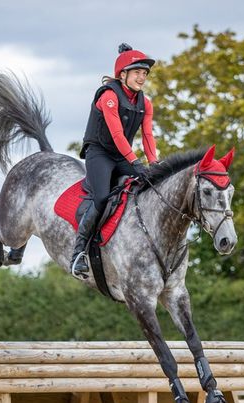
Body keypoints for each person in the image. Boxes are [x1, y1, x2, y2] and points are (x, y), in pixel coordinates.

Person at [70, 43, 158, 278]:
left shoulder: (145, 102)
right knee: (101, 196)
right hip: (99, 152)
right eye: (138, 72)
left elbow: (148, 135)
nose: (142, 77)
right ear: (123, 74)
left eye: (145, 73)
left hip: (121, 155)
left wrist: (155, 163)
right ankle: (78, 252)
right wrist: (135, 160)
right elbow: (117, 134)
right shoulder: (109, 96)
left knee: (148, 185)